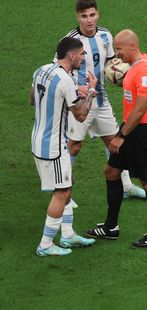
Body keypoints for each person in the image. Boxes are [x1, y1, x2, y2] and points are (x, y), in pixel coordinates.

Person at [56, 0, 146, 199]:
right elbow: (58, 70)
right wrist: (75, 87)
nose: (88, 20)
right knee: (74, 146)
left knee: (115, 142)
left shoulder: (105, 36)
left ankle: (126, 186)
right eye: (84, 16)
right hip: (78, 104)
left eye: (92, 15)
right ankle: (63, 193)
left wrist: (118, 75)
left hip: (100, 100)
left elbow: (110, 63)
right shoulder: (69, 41)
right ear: (77, 17)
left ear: (98, 14)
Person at [85, 30, 147, 248]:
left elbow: (141, 108)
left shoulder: (146, 71)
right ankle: (111, 227)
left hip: (141, 132)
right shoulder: (135, 68)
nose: (116, 54)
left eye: (119, 49)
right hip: (131, 128)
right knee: (111, 172)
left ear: (132, 46)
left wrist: (121, 136)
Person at [31, 37, 98, 256]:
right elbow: (80, 116)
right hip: (54, 146)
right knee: (61, 192)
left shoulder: (41, 70)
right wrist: (89, 93)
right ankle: (46, 244)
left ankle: (68, 234)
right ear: (71, 56)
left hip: (37, 140)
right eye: (81, 54)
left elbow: (33, 98)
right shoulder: (65, 81)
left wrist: (69, 93)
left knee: (68, 183)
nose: (82, 57)